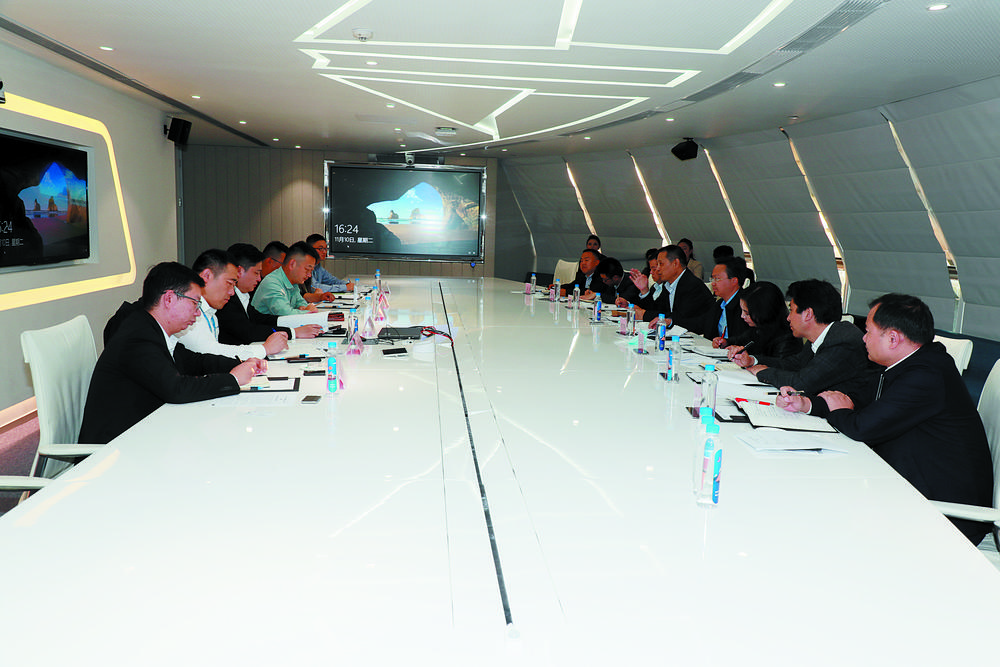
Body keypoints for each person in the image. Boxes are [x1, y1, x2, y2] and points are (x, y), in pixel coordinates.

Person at [776, 294, 993, 544]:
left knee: (819, 514)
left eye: (868, 331)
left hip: (942, 515)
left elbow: (862, 427)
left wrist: (838, 411)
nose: (863, 338)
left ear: (892, 338)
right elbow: (857, 399)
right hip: (907, 485)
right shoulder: (909, 364)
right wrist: (807, 404)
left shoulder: (926, 376)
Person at [78, 262, 265, 445]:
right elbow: (176, 389)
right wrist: (233, 379)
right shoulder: (138, 336)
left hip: (145, 434)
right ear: (169, 299)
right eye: (195, 303)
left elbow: (194, 361)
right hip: (115, 448)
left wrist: (240, 364)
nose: (198, 313)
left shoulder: (152, 329)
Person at [732, 279, 875, 396]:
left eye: (792, 310)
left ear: (808, 314)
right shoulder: (823, 336)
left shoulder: (842, 342)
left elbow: (801, 383)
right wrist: (753, 360)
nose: (788, 318)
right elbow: (794, 364)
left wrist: (762, 371)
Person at [175, 249, 289, 360]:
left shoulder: (211, 312)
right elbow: (210, 352)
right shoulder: (187, 310)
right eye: (229, 283)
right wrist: (264, 349)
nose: (232, 292)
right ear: (207, 276)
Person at [217, 243, 323, 345]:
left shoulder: (242, 296)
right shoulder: (226, 300)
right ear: (239, 271)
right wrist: (294, 332)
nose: (259, 279)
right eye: (256, 273)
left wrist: (300, 322)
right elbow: (249, 332)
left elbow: (261, 319)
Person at [631, 245, 715, 329]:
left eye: (661, 264)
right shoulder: (668, 285)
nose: (658, 269)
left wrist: (645, 315)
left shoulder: (692, 285)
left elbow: (681, 317)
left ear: (675, 263)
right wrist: (644, 290)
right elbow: (657, 310)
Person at [725, 281, 801, 359]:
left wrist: (752, 360)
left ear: (764, 311)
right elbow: (741, 340)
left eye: (747, 313)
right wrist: (726, 342)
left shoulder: (787, 340)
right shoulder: (758, 330)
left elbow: (778, 364)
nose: (742, 316)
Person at [251, 241, 321, 316]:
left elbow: (300, 303)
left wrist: (304, 308)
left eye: (311, 271)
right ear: (292, 264)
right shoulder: (271, 283)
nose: (309, 275)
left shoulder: (293, 283)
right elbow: (285, 314)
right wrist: (307, 311)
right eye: (307, 269)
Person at [702, 257, 749, 347]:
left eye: (717, 279)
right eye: (712, 279)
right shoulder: (718, 305)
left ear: (734, 281)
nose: (713, 283)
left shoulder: (746, 307)